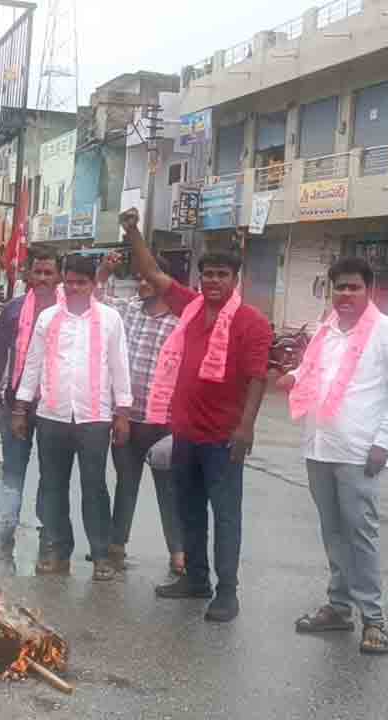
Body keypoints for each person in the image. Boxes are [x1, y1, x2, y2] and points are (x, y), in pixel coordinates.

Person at [121, 208, 274, 623]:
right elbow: (153, 275)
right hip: (185, 431)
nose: (213, 282)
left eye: (222, 275)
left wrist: (246, 427)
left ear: (235, 280)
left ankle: (227, 592)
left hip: (224, 437)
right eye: (208, 275)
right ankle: (195, 580)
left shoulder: (252, 323)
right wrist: (132, 232)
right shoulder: (189, 308)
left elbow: (258, 377)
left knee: (225, 516)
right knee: (188, 509)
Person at [277, 257, 388, 655]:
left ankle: (374, 619)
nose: (345, 294)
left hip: (361, 450)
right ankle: (339, 606)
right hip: (320, 445)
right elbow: (309, 372)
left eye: (353, 287)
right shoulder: (325, 331)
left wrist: (384, 442)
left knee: (361, 534)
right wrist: (288, 378)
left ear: (369, 290)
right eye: (339, 287)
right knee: (333, 532)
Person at [14, 254, 132, 582]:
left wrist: (122, 413)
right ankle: (57, 551)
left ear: (94, 284)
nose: (76, 287)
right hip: (52, 414)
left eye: (83, 282)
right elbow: (33, 364)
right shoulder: (48, 318)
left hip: (94, 417)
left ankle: (101, 555)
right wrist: (21, 408)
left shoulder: (110, 319)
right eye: (71, 281)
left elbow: (119, 367)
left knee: (94, 487)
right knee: (52, 486)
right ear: (63, 281)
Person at [96, 250, 185, 576]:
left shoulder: (181, 321)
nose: (143, 283)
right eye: (140, 277)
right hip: (127, 418)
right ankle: (116, 546)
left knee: (169, 489)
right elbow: (98, 301)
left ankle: (179, 552)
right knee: (126, 483)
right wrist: (104, 271)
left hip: (165, 422)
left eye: (151, 277)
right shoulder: (128, 312)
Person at [0, 246, 62, 567]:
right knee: (12, 472)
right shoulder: (14, 309)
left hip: (53, 407)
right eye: (38, 272)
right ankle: (5, 536)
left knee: (51, 476)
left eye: (49, 273)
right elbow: (0, 350)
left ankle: (49, 540)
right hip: (15, 401)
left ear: (58, 275)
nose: (43, 278)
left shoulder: (66, 312)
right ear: (28, 275)